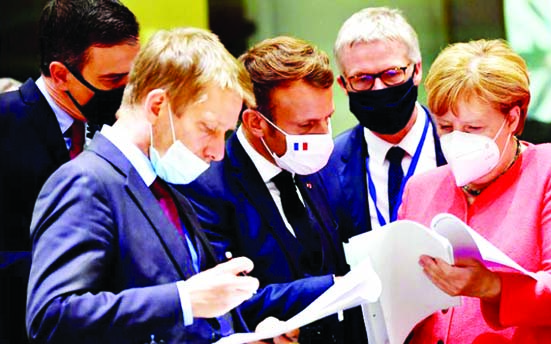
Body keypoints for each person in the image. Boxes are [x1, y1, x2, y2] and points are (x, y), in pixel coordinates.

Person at [26, 28, 334, 344]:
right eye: (209, 129)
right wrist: (184, 299)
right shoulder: (86, 182)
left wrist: (248, 333)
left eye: (224, 134)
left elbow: (194, 315)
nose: (217, 153)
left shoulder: (168, 187)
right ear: (158, 106)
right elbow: (52, 315)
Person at [398, 39, 551, 343]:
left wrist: (493, 287)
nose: (456, 140)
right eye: (445, 127)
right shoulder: (421, 188)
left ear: (513, 118)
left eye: (472, 128)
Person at [177, 36, 365, 343]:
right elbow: (224, 300)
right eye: (306, 126)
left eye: (327, 119)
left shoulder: (314, 165)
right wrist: (336, 286)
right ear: (255, 123)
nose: (322, 137)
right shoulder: (205, 187)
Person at [0, 1, 139, 342]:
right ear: (60, 74)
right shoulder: (6, 123)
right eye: (112, 80)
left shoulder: (127, 126)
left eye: (132, 77)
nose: (126, 93)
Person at [324, 7, 446, 243]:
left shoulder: (455, 143)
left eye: (391, 73)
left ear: (417, 70)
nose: (379, 88)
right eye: (362, 78)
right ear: (343, 84)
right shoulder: (327, 166)